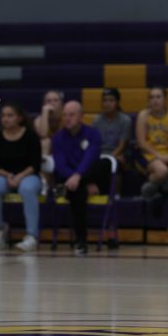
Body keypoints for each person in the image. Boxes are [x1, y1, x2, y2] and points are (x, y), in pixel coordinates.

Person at [52, 101, 111, 256]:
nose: (67, 118)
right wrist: (74, 178)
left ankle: (85, 184)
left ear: (81, 116)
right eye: (64, 115)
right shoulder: (57, 138)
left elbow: (90, 158)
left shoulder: (93, 134)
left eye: (71, 115)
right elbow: (60, 165)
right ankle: (81, 240)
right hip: (70, 181)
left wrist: (79, 176)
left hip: (86, 175)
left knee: (105, 163)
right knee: (76, 191)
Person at [0, 103, 42, 252]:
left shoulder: (31, 135)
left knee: (27, 189)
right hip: (5, 176)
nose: (6, 119)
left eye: (10, 115)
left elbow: (35, 164)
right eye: (3, 116)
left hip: (29, 175)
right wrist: (9, 176)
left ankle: (31, 236)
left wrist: (20, 177)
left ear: (19, 118)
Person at [135, 86, 168, 199]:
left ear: (165, 99)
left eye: (158, 97)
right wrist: (159, 156)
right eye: (152, 97)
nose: (155, 100)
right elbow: (141, 143)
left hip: (165, 152)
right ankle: (147, 190)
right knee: (162, 171)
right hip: (147, 153)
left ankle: (159, 190)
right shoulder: (143, 115)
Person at [92, 88, 132, 168]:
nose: (108, 103)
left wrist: (109, 158)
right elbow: (94, 144)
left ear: (117, 102)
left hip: (117, 153)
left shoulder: (125, 120)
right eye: (105, 100)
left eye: (111, 100)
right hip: (100, 154)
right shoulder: (96, 121)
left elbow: (121, 146)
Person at [34, 90, 64, 156]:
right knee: (44, 142)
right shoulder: (39, 120)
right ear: (44, 104)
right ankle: (45, 165)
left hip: (64, 146)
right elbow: (43, 134)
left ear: (61, 104)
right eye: (48, 101)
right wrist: (45, 112)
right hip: (49, 150)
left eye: (55, 100)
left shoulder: (66, 116)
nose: (52, 103)